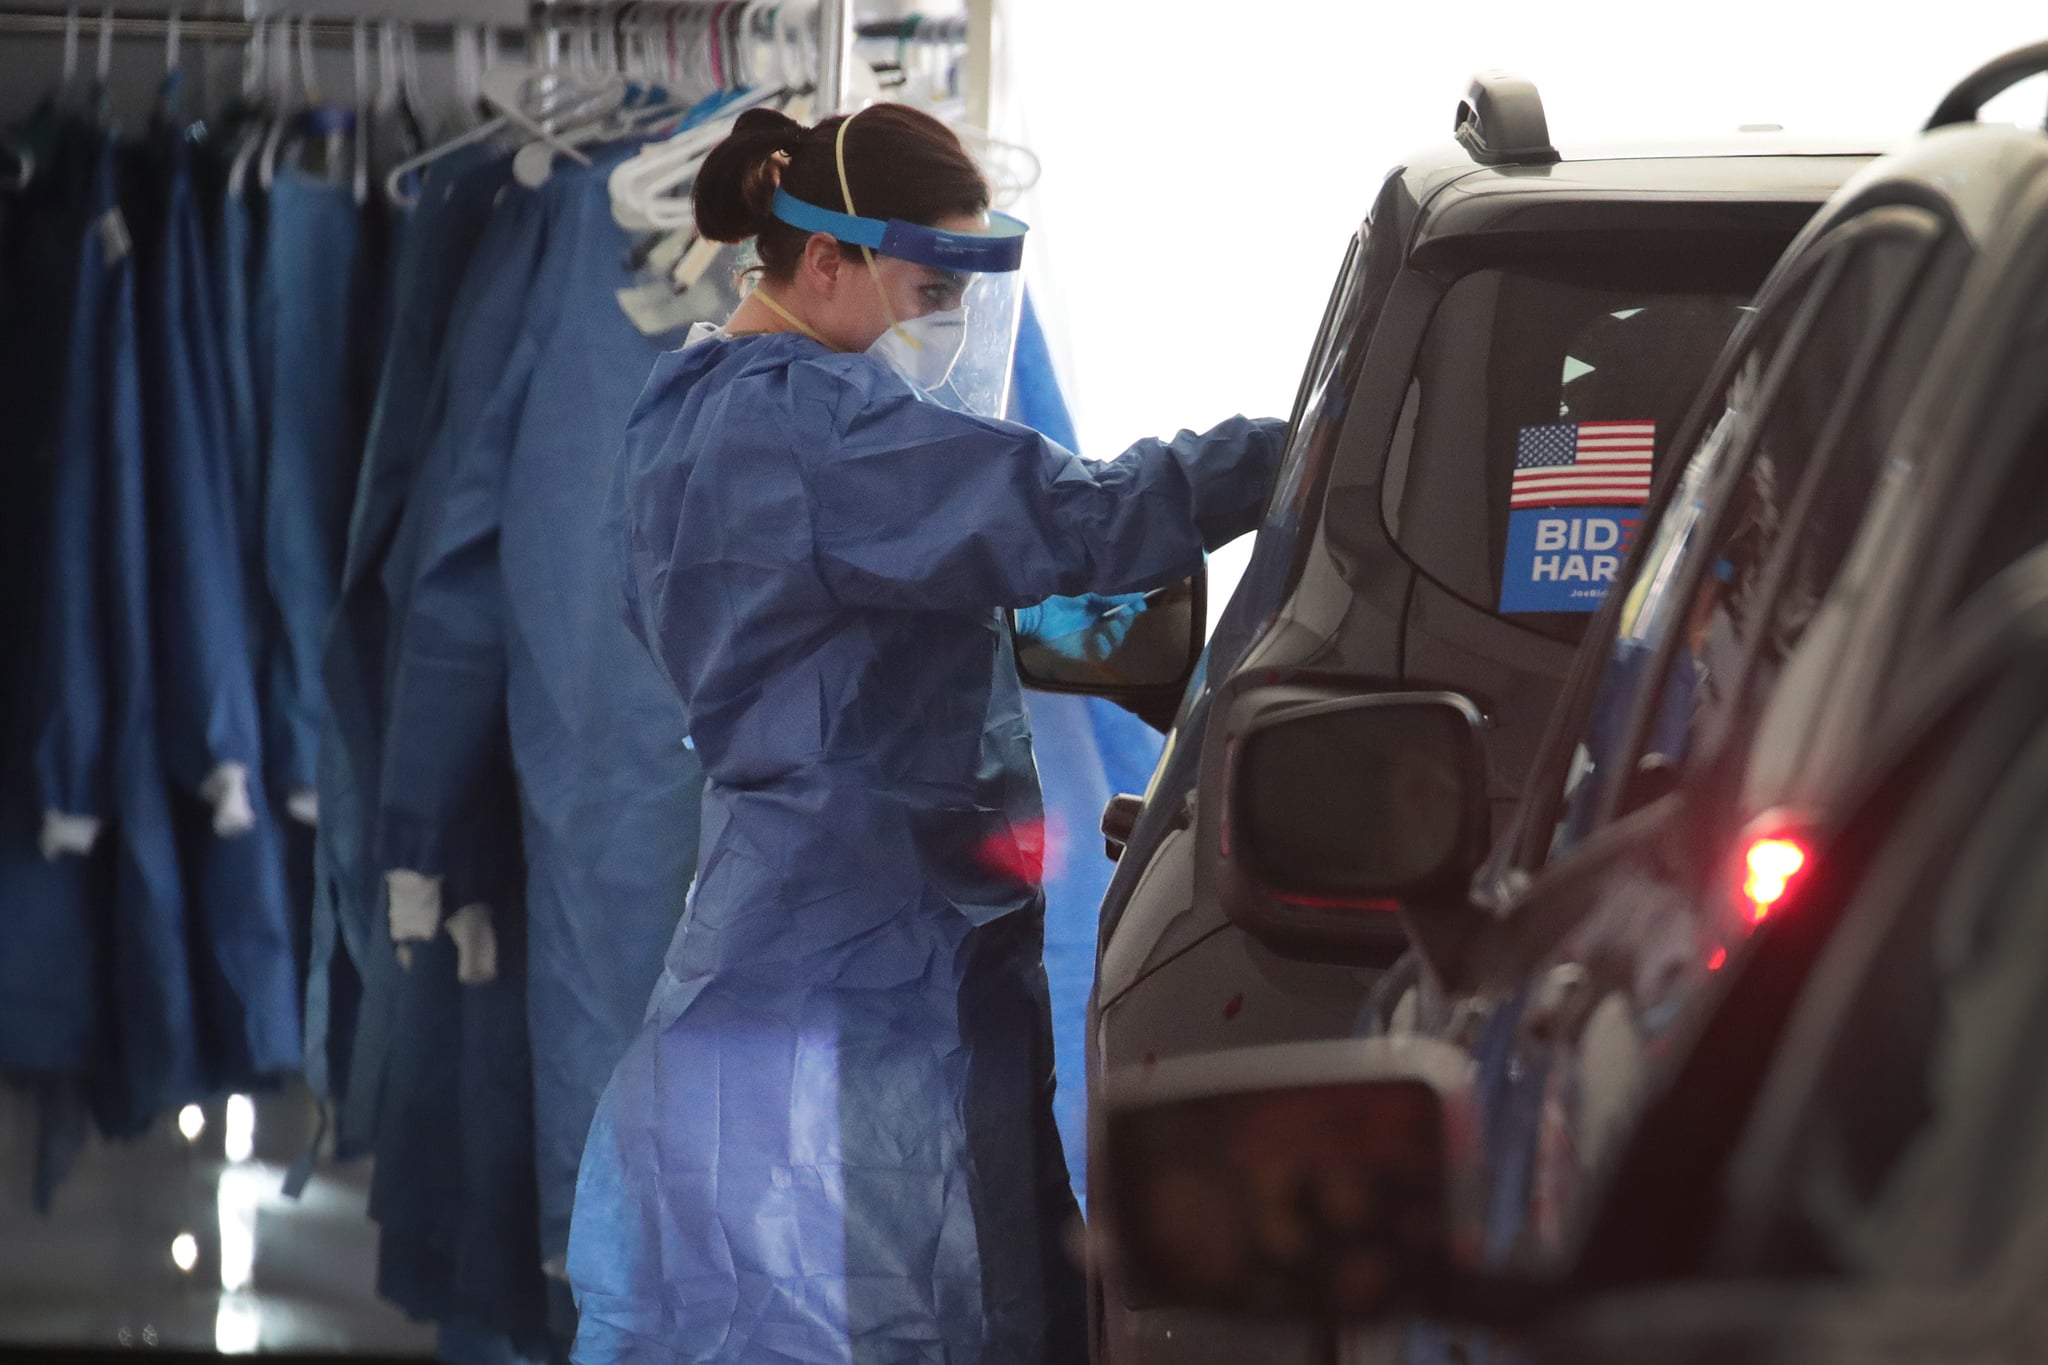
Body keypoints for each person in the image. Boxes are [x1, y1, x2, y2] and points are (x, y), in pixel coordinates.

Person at [565, 101, 1287, 1365]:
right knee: (926, 1309)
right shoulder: (817, 426)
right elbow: (1081, 519)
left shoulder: (681, 408)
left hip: (775, 920)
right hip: (871, 950)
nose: (942, 327)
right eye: (923, 291)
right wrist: (1293, 451)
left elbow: (816, 618)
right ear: (826, 261)